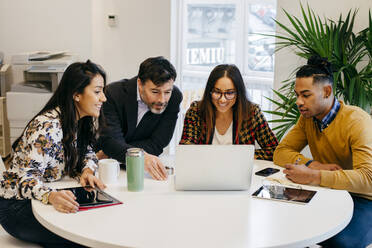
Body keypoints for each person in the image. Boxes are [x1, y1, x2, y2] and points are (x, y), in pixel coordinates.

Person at [0, 60, 107, 247]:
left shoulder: (79, 120)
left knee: (98, 225)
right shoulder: (47, 126)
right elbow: (26, 179)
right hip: (16, 206)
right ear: (76, 95)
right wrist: (52, 197)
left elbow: (88, 152)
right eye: (97, 92)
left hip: (43, 195)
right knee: (81, 238)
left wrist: (87, 171)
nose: (103, 98)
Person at [273, 56, 372, 248]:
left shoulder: (356, 120)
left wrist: (315, 176)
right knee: (283, 223)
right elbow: (281, 152)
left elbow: (368, 178)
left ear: (327, 91)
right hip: (330, 192)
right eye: (297, 95)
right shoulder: (308, 119)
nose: (298, 102)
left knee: (341, 242)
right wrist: (313, 164)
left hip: (364, 198)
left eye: (305, 95)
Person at [97, 56, 182, 180]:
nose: (162, 100)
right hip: (107, 169)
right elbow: (110, 140)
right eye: (155, 92)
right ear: (140, 83)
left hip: (138, 170)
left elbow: (158, 143)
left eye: (167, 92)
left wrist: (118, 151)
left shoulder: (175, 97)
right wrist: (114, 147)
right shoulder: (113, 93)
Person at [179, 64, 278, 160]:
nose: (222, 100)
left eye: (229, 93)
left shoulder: (251, 113)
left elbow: (274, 150)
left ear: (238, 93)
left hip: (238, 173)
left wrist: (242, 156)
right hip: (204, 172)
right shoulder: (196, 111)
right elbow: (186, 149)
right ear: (210, 91)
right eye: (217, 92)